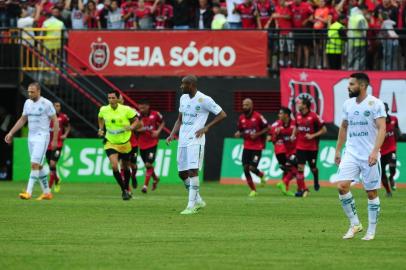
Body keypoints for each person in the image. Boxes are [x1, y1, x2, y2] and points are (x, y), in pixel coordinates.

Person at [332, 72, 386, 241]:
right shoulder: (348, 104)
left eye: (352, 84)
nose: (348, 87)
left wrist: (374, 151)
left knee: (371, 193)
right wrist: (338, 150)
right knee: (342, 186)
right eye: (349, 84)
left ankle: (371, 231)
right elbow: (343, 127)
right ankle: (355, 224)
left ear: (362, 86)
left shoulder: (375, 104)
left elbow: (382, 128)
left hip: (369, 155)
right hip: (351, 153)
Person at [166, 75, 227, 215]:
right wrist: (172, 134)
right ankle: (198, 199)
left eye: (184, 84)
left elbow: (222, 114)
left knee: (193, 171)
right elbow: (179, 119)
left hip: (196, 140)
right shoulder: (183, 98)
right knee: (182, 174)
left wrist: (207, 127)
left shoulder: (204, 99)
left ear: (191, 85)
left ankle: (191, 206)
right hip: (183, 140)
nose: (181, 86)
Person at [4, 82, 59, 200]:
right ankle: (47, 192)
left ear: (39, 91)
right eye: (29, 91)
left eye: (32, 92)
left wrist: (54, 139)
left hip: (42, 137)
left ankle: (28, 192)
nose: (30, 94)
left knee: (34, 164)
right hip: (31, 137)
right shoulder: (27, 103)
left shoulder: (46, 103)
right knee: (38, 166)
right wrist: (11, 132)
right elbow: (23, 119)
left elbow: (55, 120)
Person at [98, 91, 142, 200]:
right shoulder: (104, 109)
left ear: (118, 99)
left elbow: (137, 120)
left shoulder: (126, 110)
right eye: (109, 98)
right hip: (110, 142)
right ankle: (123, 190)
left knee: (126, 167)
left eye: (113, 98)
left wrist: (131, 127)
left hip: (124, 143)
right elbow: (100, 117)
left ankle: (126, 187)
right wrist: (100, 129)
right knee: (114, 166)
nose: (111, 100)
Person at [234, 98, 268, 197]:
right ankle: (253, 190)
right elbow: (240, 130)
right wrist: (238, 133)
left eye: (247, 105)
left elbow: (267, 127)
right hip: (247, 147)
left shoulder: (258, 117)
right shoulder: (241, 118)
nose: (244, 107)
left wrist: (257, 134)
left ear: (251, 106)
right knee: (245, 168)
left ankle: (261, 175)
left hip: (257, 147)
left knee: (252, 168)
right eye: (243, 105)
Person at [294, 95, 327, 196]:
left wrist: (312, 135)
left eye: (300, 103)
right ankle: (300, 190)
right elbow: (296, 127)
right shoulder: (298, 116)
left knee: (313, 168)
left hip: (312, 148)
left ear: (305, 105)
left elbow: (324, 130)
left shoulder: (314, 116)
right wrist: (293, 135)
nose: (298, 105)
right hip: (300, 146)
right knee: (300, 168)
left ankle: (316, 181)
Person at [136, 99, 165, 193]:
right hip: (142, 143)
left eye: (143, 107)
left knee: (148, 164)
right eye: (140, 108)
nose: (141, 109)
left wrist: (158, 131)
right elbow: (135, 129)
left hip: (152, 143)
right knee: (147, 165)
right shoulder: (138, 116)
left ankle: (145, 186)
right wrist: (141, 129)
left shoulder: (156, 114)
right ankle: (156, 179)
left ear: (148, 106)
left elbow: (163, 122)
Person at [270, 107, 296, 196]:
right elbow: (270, 139)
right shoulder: (276, 125)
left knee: (287, 169)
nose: (279, 115)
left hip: (293, 150)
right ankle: (284, 183)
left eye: (281, 113)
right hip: (283, 151)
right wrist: (274, 136)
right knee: (296, 169)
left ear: (287, 115)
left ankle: (286, 189)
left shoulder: (295, 124)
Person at [47, 102, 70, 193]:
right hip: (48, 144)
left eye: (59, 106)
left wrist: (65, 134)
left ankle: (48, 188)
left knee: (53, 164)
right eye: (55, 106)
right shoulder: (47, 117)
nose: (57, 107)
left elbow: (68, 126)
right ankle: (56, 179)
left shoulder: (63, 117)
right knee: (51, 166)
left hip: (58, 144)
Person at [380, 102, 400, 197]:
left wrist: (397, 136)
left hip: (392, 148)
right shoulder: (376, 123)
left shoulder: (394, 119)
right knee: (382, 173)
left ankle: (391, 177)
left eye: (385, 110)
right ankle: (388, 192)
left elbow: (397, 130)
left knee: (392, 165)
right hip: (380, 151)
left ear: (387, 110)